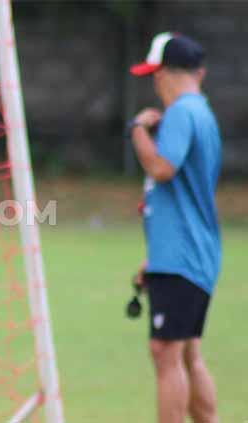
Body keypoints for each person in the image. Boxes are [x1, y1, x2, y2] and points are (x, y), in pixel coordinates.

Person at [129, 32, 221, 423]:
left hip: (182, 255)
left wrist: (136, 128)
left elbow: (162, 168)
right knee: (186, 352)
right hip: (187, 253)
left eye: (155, 74)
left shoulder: (183, 112)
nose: (154, 82)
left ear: (165, 73)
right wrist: (157, 259)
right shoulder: (200, 111)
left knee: (165, 352)